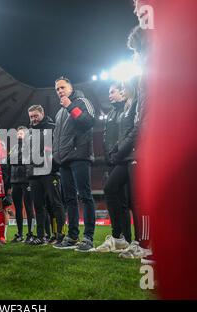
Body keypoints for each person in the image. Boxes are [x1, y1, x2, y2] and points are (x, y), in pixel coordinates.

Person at [112, 26, 152, 260]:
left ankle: (146, 244)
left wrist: (129, 145)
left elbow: (145, 119)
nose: (133, 57)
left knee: (142, 199)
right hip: (143, 143)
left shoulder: (150, 75)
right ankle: (140, 242)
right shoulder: (144, 79)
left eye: (135, 52)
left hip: (147, 145)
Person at [52, 77, 96, 252]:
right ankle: (72, 236)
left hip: (79, 156)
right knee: (69, 199)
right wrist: (57, 156)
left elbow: (88, 121)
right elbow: (57, 138)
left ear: (71, 87)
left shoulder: (81, 101)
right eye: (57, 89)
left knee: (85, 196)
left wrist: (70, 106)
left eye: (62, 87)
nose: (60, 91)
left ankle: (88, 237)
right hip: (64, 160)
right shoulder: (59, 112)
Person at [96, 81, 138, 253]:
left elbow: (130, 134)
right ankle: (121, 238)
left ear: (123, 92)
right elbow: (108, 139)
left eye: (113, 91)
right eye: (109, 92)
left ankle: (132, 240)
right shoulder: (112, 113)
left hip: (127, 157)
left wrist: (119, 152)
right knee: (116, 197)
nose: (110, 95)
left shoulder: (129, 109)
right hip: (116, 159)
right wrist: (110, 156)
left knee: (131, 202)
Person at [26, 105, 65, 246]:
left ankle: (60, 234)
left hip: (49, 172)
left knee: (55, 204)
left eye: (36, 116)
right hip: (34, 174)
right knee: (38, 206)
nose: (33, 119)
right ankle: (41, 236)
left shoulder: (53, 127)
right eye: (31, 117)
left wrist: (53, 166)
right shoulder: (29, 132)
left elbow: (58, 149)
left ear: (42, 113)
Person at [9, 126, 35, 243]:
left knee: (29, 207)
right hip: (15, 181)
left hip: (26, 180)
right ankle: (19, 234)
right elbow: (10, 161)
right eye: (18, 133)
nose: (19, 135)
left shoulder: (29, 146)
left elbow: (25, 161)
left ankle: (30, 233)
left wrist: (14, 159)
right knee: (18, 209)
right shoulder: (14, 147)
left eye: (22, 133)